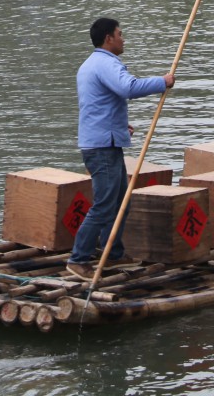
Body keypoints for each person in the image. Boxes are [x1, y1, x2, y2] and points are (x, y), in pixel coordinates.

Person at [66, 17, 176, 280]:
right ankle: (78, 258)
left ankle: (113, 253)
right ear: (108, 39)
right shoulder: (104, 63)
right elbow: (128, 88)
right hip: (100, 147)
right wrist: (163, 81)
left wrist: (118, 126)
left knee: (119, 202)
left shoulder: (92, 64)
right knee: (104, 204)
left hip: (106, 141)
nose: (123, 39)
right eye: (120, 34)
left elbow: (97, 104)